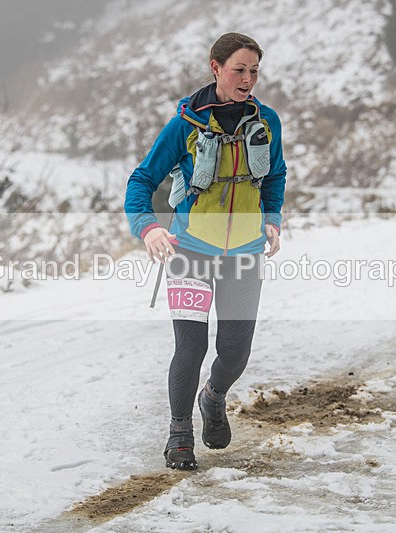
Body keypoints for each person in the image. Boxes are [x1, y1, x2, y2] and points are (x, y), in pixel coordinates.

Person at [124, 32, 286, 471]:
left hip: (244, 255)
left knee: (235, 351)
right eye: (239, 69)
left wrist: (272, 218)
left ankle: (212, 397)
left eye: (254, 70)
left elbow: (275, 177)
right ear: (215, 67)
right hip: (191, 251)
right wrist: (148, 228)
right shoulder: (185, 125)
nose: (248, 78)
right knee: (190, 346)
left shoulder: (266, 121)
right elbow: (141, 181)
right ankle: (179, 433)